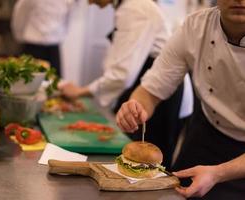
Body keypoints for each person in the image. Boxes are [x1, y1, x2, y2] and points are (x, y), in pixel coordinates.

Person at [116, 0, 245, 199]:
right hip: (207, 131)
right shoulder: (195, 27)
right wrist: (136, 106)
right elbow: (152, 88)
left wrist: (218, 173)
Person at [60, 0, 189, 169]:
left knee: (152, 166)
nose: (89, 2)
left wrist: (81, 91)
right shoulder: (130, 7)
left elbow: (122, 75)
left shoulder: (136, 9)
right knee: (136, 163)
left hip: (160, 97)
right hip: (148, 91)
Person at [11, 0, 77, 77]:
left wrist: (59, 36)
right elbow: (19, 15)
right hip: (32, 47)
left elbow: (68, 20)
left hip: (53, 48)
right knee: (27, 81)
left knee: (54, 83)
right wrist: (19, 37)